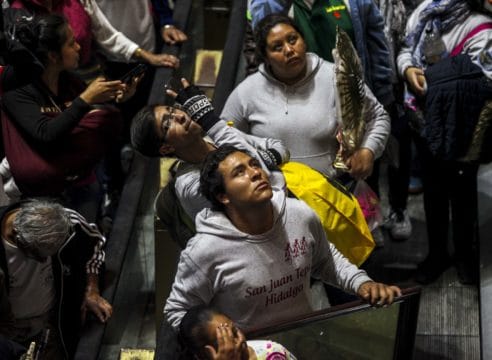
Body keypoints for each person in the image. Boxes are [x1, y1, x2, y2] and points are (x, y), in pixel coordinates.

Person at [164, 146, 401, 331]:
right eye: (240, 173)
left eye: (254, 164)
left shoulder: (299, 213)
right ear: (223, 196)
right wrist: (215, 332)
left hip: (303, 337)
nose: (255, 173)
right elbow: (177, 311)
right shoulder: (205, 250)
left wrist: (362, 283)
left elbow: (326, 260)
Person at [0, 14, 139, 220]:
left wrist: (117, 99)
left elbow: (92, 121)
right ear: (53, 56)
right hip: (42, 200)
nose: (79, 48)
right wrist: (84, 100)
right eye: (71, 43)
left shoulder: (69, 81)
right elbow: (45, 133)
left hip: (82, 183)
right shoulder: (17, 88)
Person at [221, 14, 390, 182]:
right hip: (273, 199)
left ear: (304, 40)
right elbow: (222, 138)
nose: (289, 50)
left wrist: (368, 149)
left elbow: (378, 117)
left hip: (333, 194)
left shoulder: (336, 77)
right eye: (277, 47)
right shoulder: (247, 92)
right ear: (265, 57)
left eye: (293, 40)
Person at [397, 0, 492, 284]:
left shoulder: (480, 26)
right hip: (424, 123)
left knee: (463, 197)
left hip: (462, 130)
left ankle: (465, 256)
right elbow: (405, 49)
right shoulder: (427, 11)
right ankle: (436, 255)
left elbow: (484, 79)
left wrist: (434, 79)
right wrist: (407, 71)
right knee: (434, 195)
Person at [131, 79, 289, 222]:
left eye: (172, 110)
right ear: (166, 148)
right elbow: (260, 184)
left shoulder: (214, 137)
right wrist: (208, 119)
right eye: (167, 124)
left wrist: (266, 159)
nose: (178, 116)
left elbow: (279, 146)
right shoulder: (190, 184)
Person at [0, 199, 112, 358]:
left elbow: (95, 246)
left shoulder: (66, 222)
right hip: (7, 334)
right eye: (38, 256)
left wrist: (91, 289)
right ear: (17, 237)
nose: (44, 261)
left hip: (51, 325)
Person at [179, 305, 297, 360]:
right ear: (203, 355)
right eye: (225, 341)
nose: (240, 341)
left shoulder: (272, 353)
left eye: (234, 332)